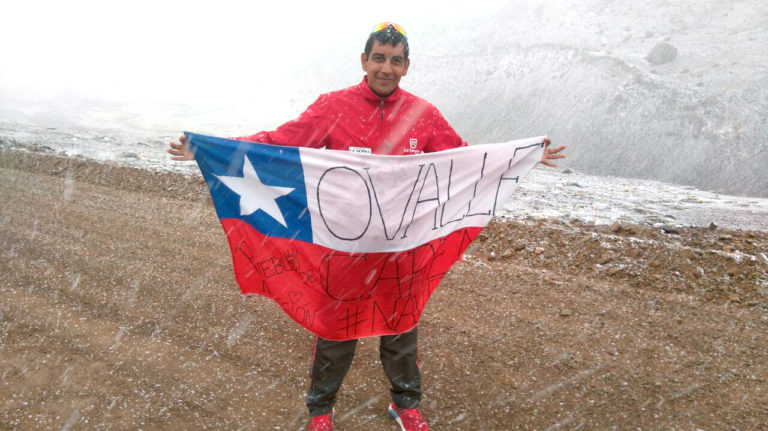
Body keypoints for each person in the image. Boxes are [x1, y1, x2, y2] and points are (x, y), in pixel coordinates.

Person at [168, 22, 565, 431]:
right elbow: (278, 142)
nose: (386, 68)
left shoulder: (423, 115)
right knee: (335, 332)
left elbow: (465, 162)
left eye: (395, 60)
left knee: (401, 330)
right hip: (343, 250)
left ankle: (405, 404)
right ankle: (321, 412)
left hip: (402, 251)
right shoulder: (333, 106)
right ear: (364, 60)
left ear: (406, 66)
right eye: (379, 58)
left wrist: (524, 156)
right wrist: (208, 149)